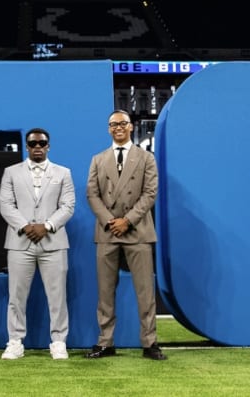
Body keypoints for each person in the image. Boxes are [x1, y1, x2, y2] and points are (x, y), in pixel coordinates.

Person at [84, 110, 167, 361]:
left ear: (131, 127)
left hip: (138, 231)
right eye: (113, 124)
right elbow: (92, 194)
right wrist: (111, 221)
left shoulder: (146, 158)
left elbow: (150, 193)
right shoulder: (98, 159)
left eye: (122, 123)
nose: (118, 128)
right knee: (105, 292)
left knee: (145, 291)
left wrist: (127, 221)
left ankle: (149, 342)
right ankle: (105, 342)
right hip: (107, 232)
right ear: (109, 129)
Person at [0, 128, 75, 360]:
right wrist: (25, 226)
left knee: (57, 295)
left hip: (54, 242)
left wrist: (47, 226)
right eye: (33, 144)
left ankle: (59, 341)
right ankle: (15, 341)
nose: (38, 147)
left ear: (49, 145)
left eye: (42, 143)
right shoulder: (11, 172)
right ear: (27, 146)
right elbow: (6, 204)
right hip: (20, 242)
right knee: (16, 295)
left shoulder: (63, 173)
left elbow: (68, 206)